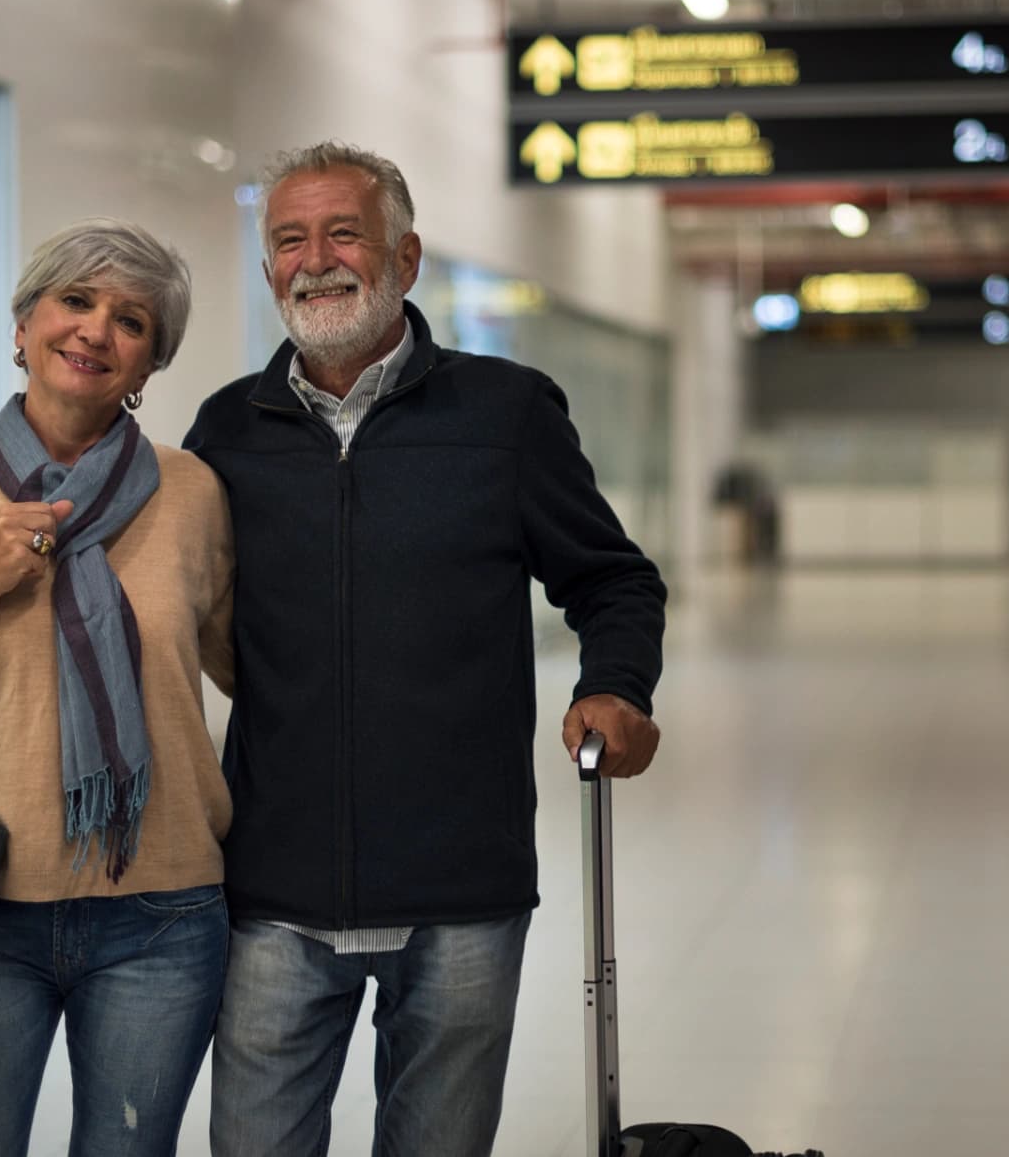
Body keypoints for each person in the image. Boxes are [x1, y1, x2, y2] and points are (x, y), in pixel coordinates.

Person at [187, 142, 668, 1156]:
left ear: (404, 258)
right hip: (274, 889)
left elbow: (612, 577)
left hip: (461, 886)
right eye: (289, 240)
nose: (316, 259)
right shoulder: (227, 430)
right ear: (270, 269)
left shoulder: (506, 415)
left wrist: (616, 686)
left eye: (344, 233)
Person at [0, 219, 237, 1156]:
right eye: (75, 301)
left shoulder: (192, 493)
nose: (97, 330)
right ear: (22, 326)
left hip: (165, 907)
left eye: (131, 319)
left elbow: (253, 669)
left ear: (149, 362)